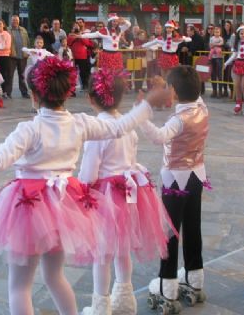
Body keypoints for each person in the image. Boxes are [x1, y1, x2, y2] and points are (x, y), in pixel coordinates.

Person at [0, 56, 170, 315]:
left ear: (35, 95)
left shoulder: (30, 129)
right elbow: (118, 127)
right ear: (67, 93)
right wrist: (147, 105)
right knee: (55, 277)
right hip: (63, 207)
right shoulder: (79, 123)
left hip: (29, 208)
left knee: (19, 287)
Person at [79, 69, 175, 315]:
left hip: (105, 196)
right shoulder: (129, 127)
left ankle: (101, 306)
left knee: (103, 253)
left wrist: (81, 190)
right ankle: (124, 299)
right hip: (129, 194)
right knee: (122, 250)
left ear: (91, 98)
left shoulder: (97, 131)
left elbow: (89, 173)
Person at [143, 66, 210, 311]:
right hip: (196, 176)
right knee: (193, 226)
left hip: (174, 182)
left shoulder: (177, 120)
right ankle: (195, 277)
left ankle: (167, 284)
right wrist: (170, 83)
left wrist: (142, 117)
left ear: (173, 91)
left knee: (169, 231)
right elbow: (192, 91)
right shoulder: (202, 108)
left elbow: (159, 137)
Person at [8, 15, 31, 99]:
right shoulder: (7, 30)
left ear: (19, 21)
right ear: (11, 21)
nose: (15, 22)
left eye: (16, 20)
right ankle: (8, 93)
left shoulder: (23, 30)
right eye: (13, 20)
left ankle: (24, 92)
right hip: (12, 56)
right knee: (10, 75)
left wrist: (28, 52)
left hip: (22, 56)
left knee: (22, 75)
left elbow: (28, 41)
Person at [68, 23, 94, 91]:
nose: (76, 29)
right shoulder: (70, 35)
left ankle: (85, 85)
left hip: (82, 56)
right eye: (74, 27)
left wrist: (80, 35)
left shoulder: (83, 35)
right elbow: (68, 43)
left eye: (77, 27)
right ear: (72, 29)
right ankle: (72, 86)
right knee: (72, 72)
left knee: (83, 72)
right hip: (73, 56)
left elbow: (87, 43)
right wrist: (74, 35)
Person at [0, 19, 13, 98]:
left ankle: (5, 91)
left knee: (5, 74)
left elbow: (7, 47)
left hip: (5, 56)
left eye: (0, 23)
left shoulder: (7, 35)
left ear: (3, 25)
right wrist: (0, 45)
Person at [208, 26, 225, 98]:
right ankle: (214, 91)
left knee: (219, 75)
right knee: (213, 74)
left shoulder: (221, 38)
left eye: (218, 32)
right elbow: (210, 45)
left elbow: (222, 43)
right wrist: (212, 46)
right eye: (215, 32)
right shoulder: (211, 38)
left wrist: (216, 45)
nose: (216, 33)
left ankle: (220, 91)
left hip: (219, 58)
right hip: (213, 58)